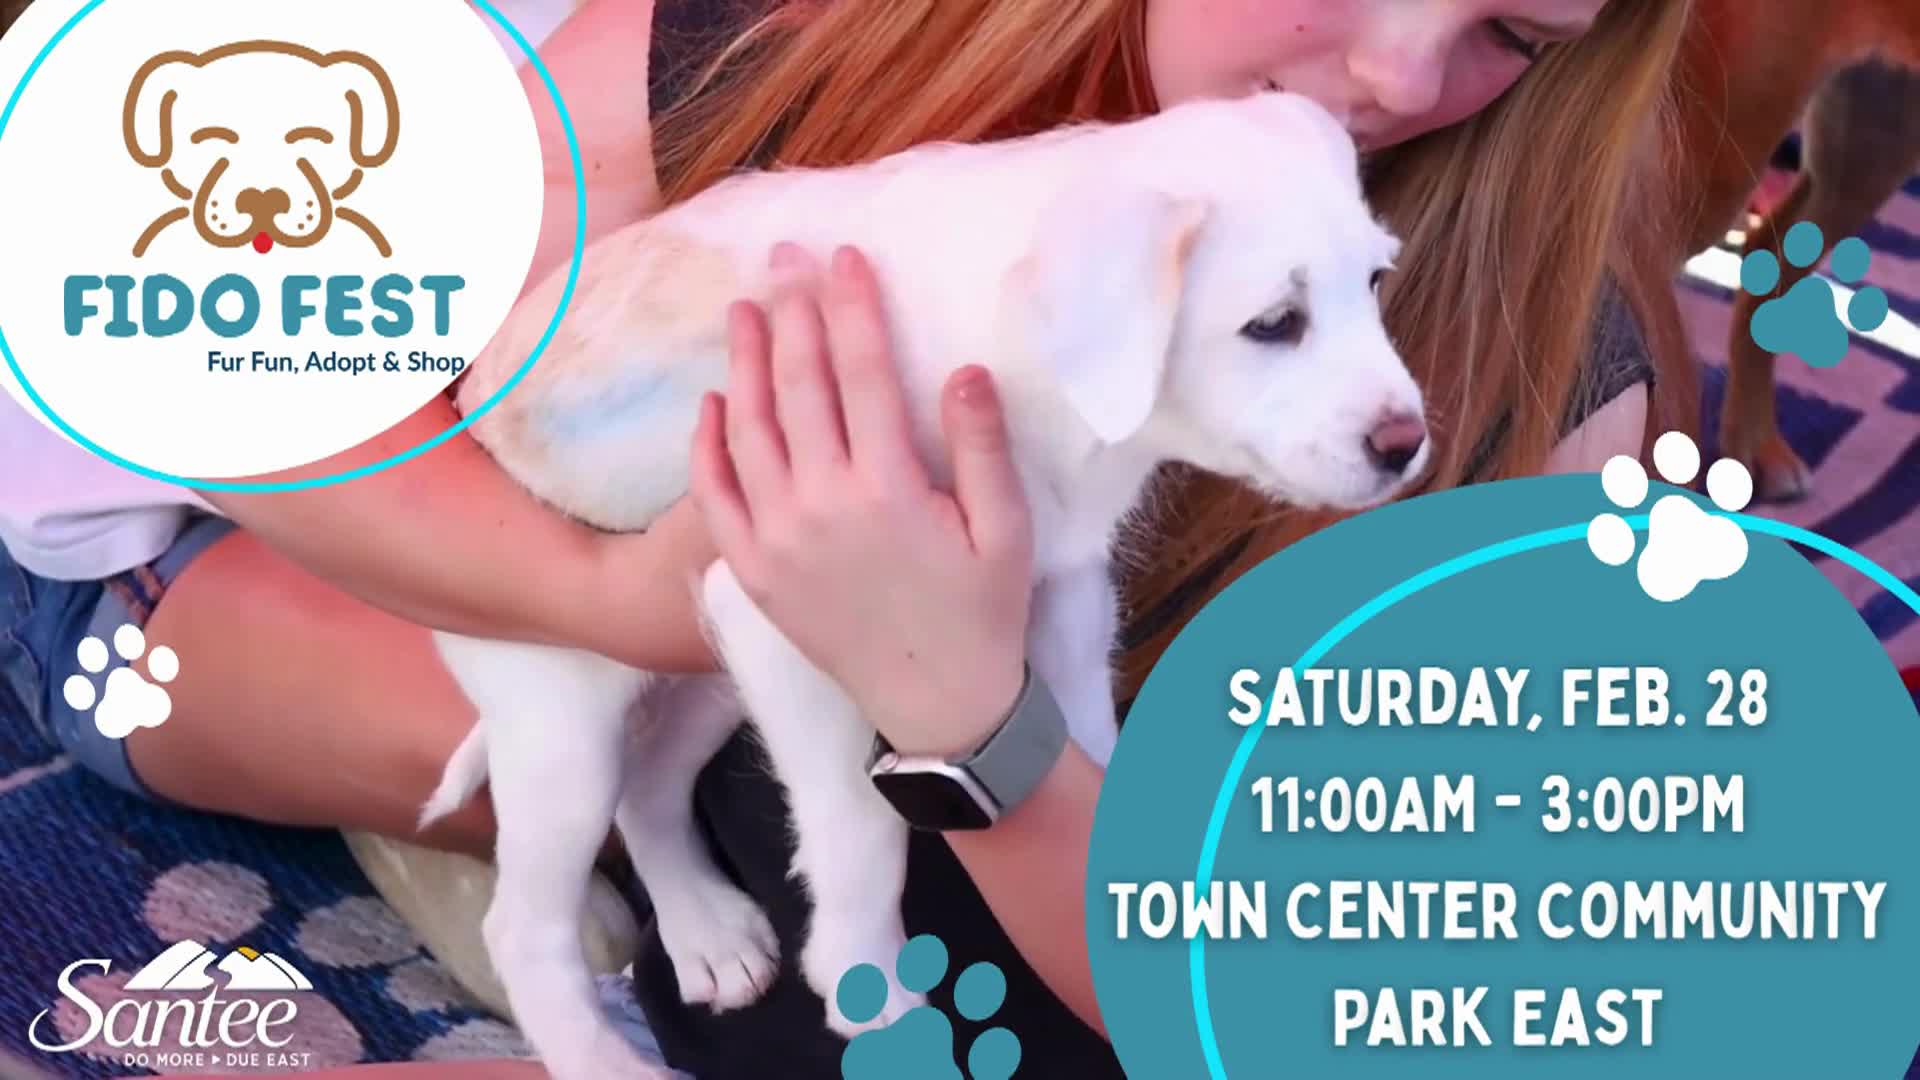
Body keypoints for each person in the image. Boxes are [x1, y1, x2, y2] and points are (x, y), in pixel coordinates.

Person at [0, 0, 1692, 1075]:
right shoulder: (783, 49)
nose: (1405, 72)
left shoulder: (1538, 375)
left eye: (1512, 32)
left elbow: (1384, 992)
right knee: (572, 732)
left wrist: (976, 720)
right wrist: (615, 595)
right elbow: (210, 358)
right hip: (189, 550)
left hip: (797, 663)